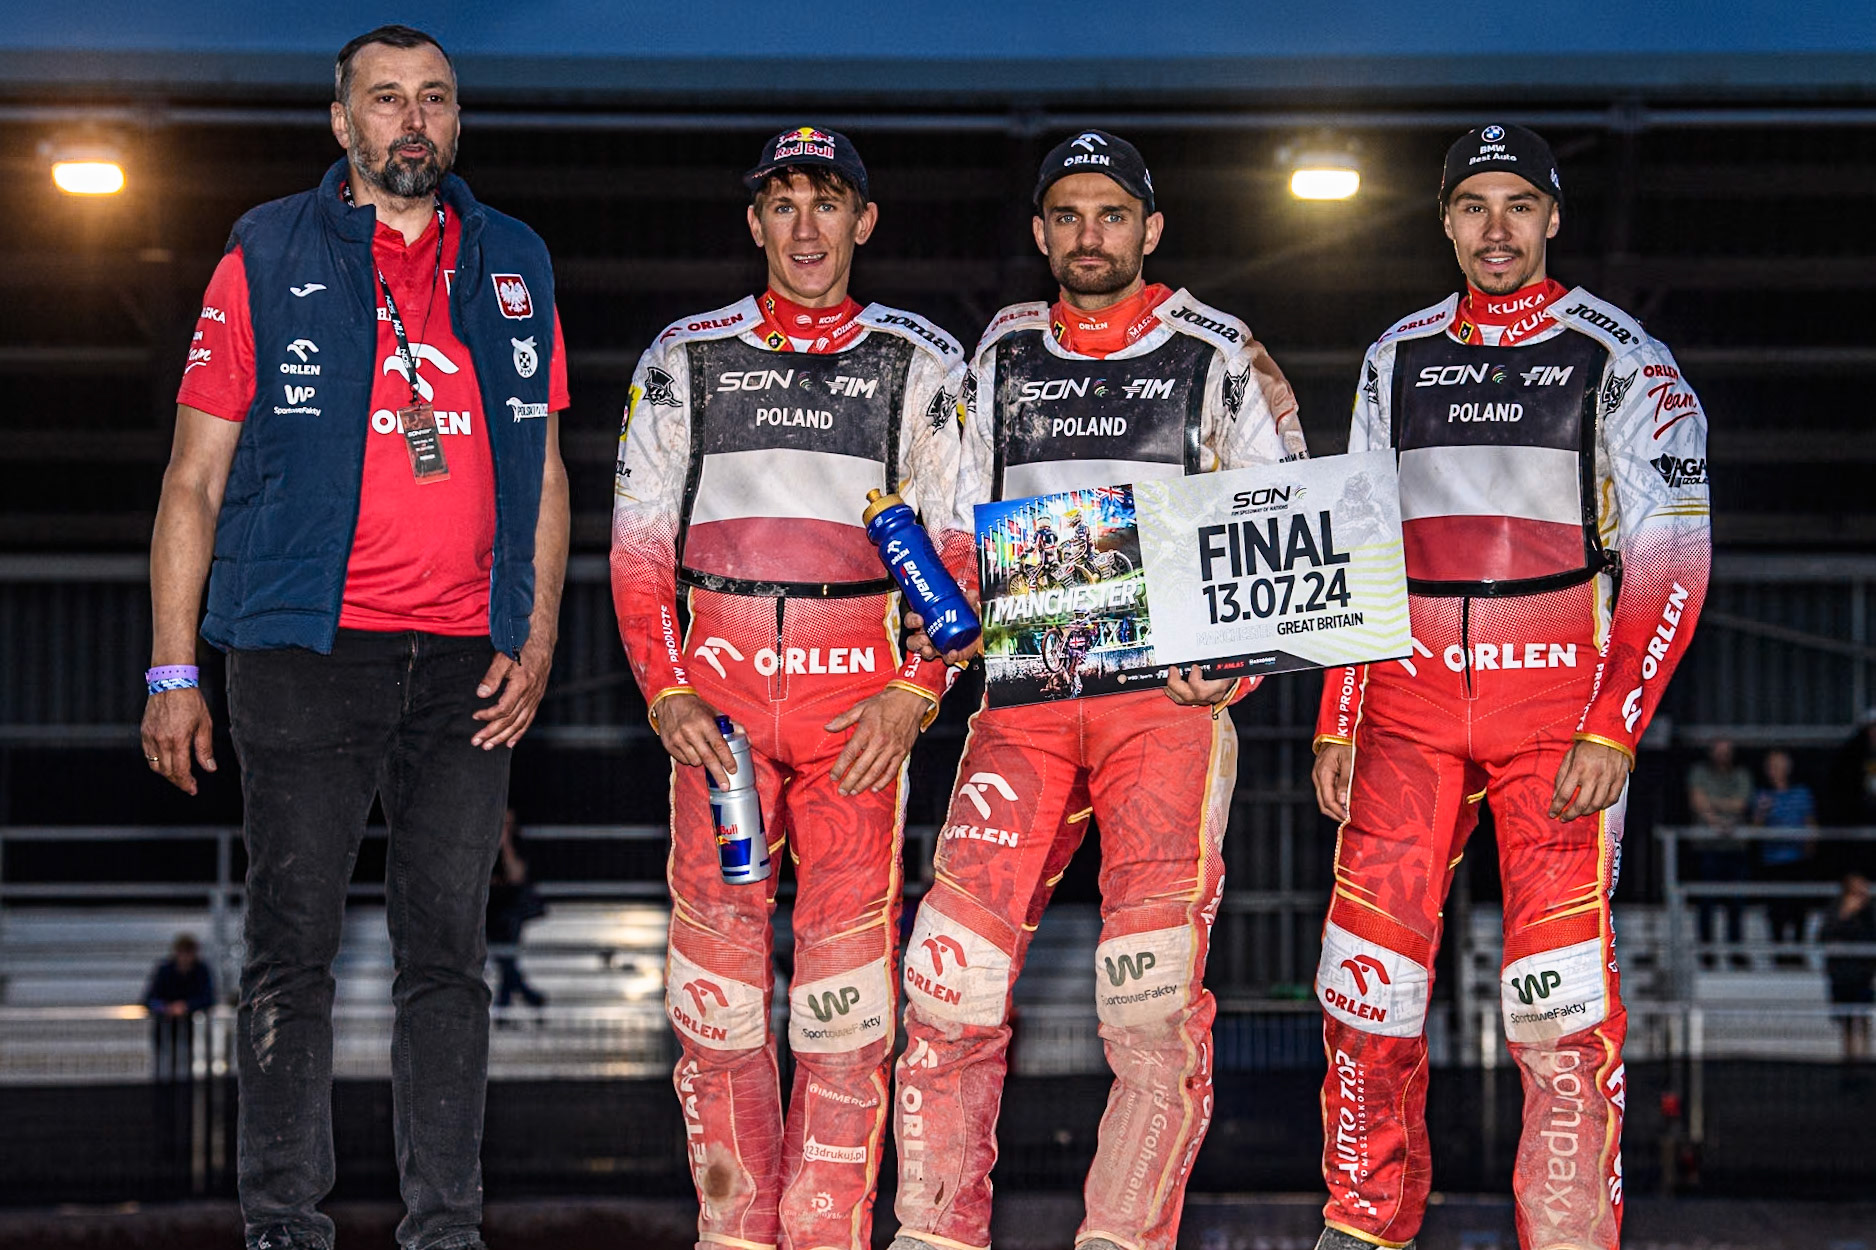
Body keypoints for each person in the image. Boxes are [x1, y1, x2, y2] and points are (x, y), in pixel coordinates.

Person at [139, 25, 570, 1250]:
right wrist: (176, 667)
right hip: (300, 652)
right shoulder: (266, 250)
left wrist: (533, 636)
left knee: (449, 954)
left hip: (466, 669)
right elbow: (191, 481)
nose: (413, 120)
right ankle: (283, 1218)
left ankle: (445, 1224)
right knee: (292, 951)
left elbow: (538, 470)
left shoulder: (516, 259)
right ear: (343, 122)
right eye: (386, 100)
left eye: (435, 97)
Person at [890, 130, 1306, 1250]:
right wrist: (934, 638)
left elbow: (1290, 530)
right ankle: (934, 1232)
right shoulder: (1000, 352)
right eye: (1067, 215)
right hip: (1021, 701)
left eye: (1111, 215)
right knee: (945, 980)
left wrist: (1239, 654)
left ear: (1150, 230)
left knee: (1148, 1006)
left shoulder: (1218, 353)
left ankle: (1121, 1239)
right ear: (1040, 233)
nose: (1089, 234)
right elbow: (942, 523)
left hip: (1162, 713)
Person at [1309, 124, 1711, 1250]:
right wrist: (1338, 713)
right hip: (1404, 706)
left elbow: (1672, 556)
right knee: (1363, 981)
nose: (1496, 228)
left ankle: (1569, 1230)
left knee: (1559, 999)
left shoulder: (1622, 355)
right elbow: (1361, 539)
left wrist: (1615, 727)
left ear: (1552, 218)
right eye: (1473, 204)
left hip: (1557, 718)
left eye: (1518, 205)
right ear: (1443, 220)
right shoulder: (1396, 353)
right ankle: (1363, 1218)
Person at [610, 126, 965, 1250]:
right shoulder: (683, 354)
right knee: (714, 999)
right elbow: (635, 545)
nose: (805, 227)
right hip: (717, 717)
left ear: (865, 221)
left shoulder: (924, 357)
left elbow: (955, 540)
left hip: (853, 710)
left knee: (845, 1004)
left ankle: (823, 1232)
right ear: (753, 221)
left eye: (828, 204)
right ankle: (732, 1232)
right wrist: (663, 689)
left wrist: (916, 687)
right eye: (783, 205)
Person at [1687, 739, 1753, 959]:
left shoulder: (1741, 774)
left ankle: (1736, 952)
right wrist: (1721, 817)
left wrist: (1712, 804)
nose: (1722, 755)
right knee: (1706, 902)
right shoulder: (1699, 772)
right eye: (1719, 750)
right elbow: (1698, 803)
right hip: (1707, 847)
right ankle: (1706, 952)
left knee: (1736, 902)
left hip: (1735, 847)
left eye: (1727, 751)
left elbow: (1742, 804)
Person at [1752, 749, 1819, 947]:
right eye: (1772, 767)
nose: (1776, 770)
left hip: (1797, 859)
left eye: (1780, 766)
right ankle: (1779, 951)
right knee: (1776, 909)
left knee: (1798, 908)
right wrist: (1761, 812)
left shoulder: (1801, 793)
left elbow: (1811, 823)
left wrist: (1809, 850)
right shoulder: (1762, 795)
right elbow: (1755, 829)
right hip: (1773, 861)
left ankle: (1798, 951)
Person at [487, 809, 548, 1011]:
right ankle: (526, 995)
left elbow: (515, 877)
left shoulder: (517, 845)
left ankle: (510, 1002)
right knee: (507, 956)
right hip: (492, 911)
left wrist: (505, 844)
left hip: (511, 911)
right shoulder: (481, 846)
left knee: (506, 952)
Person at [144, 933, 216, 1081]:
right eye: (182, 953)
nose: (185, 958)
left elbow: (208, 998)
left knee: (188, 1070)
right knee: (164, 1069)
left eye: (189, 953)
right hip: (165, 1029)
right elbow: (149, 999)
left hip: (192, 1031)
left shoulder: (201, 970)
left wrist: (186, 1006)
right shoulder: (165, 970)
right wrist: (167, 1008)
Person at [1821, 873, 1876, 1061]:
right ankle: (1849, 1057)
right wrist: (1846, 914)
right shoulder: (1835, 909)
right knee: (1846, 1019)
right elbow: (1825, 935)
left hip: (1862, 972)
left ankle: (1865, 1055)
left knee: (1862, 1015)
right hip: (1842, 973)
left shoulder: (1870, 910)